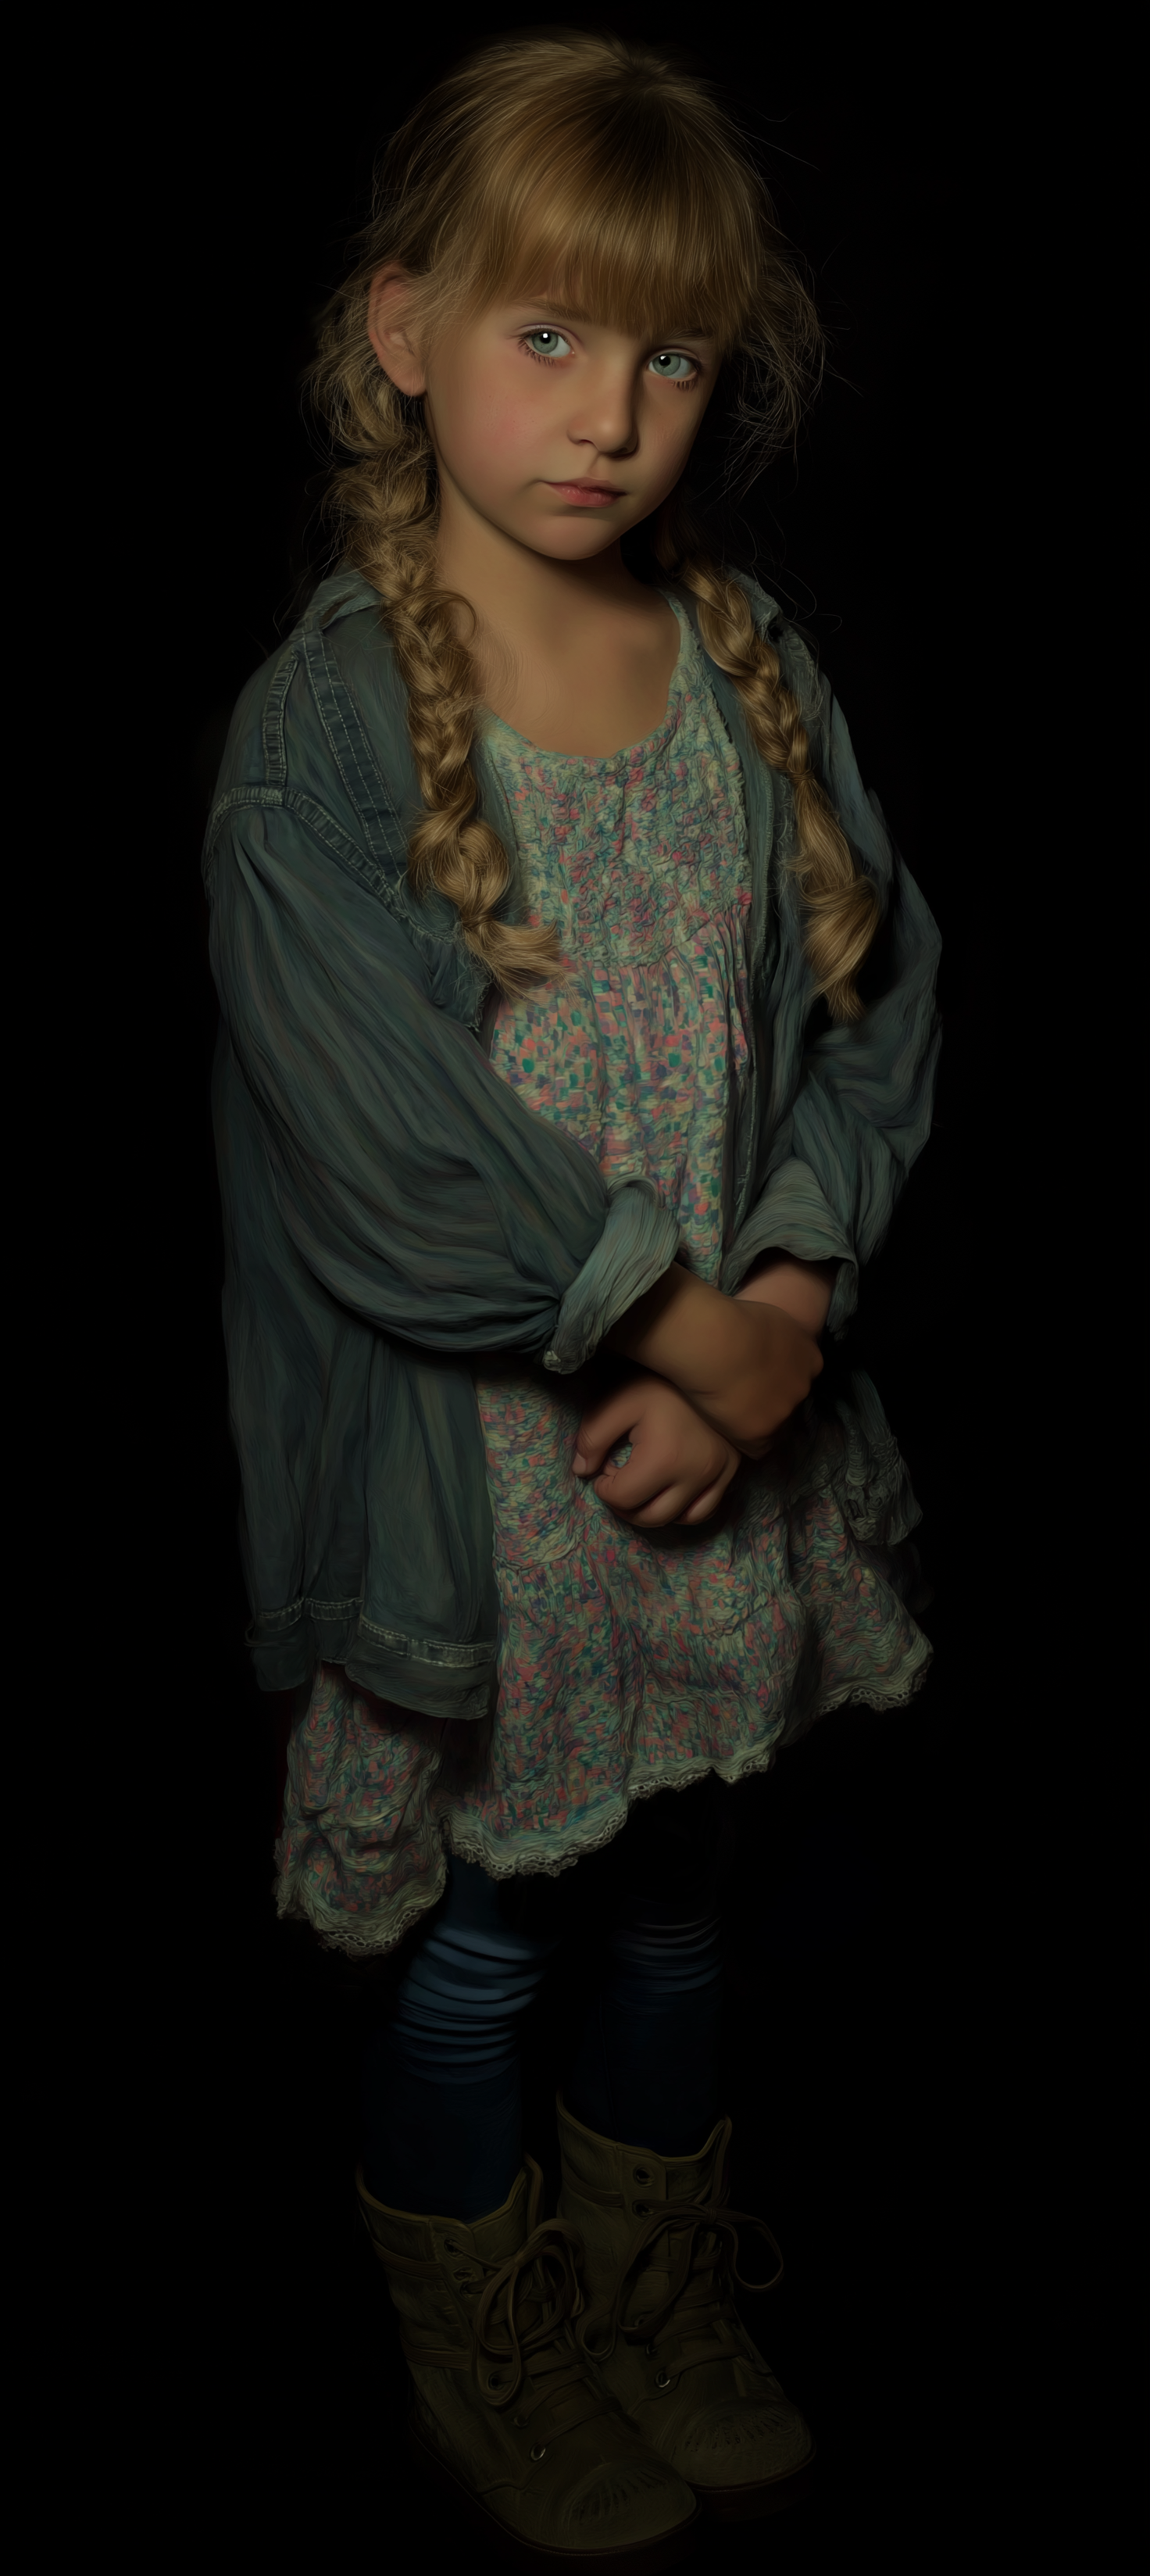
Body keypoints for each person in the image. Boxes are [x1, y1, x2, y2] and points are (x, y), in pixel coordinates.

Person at [204, 29, 941, 2569]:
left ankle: (653, 2293)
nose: (612, 415)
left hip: (712, 1461)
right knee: (489, 1953)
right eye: (549, 336)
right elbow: (391, 1159)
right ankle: (488, 2344)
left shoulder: (743, 665)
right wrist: (690, 1331)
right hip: (497, 1506)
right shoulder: (322, 741)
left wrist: (785, 1302)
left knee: (677, 1921)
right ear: (403, 331)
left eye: (673, 355)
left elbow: (881, 1007)